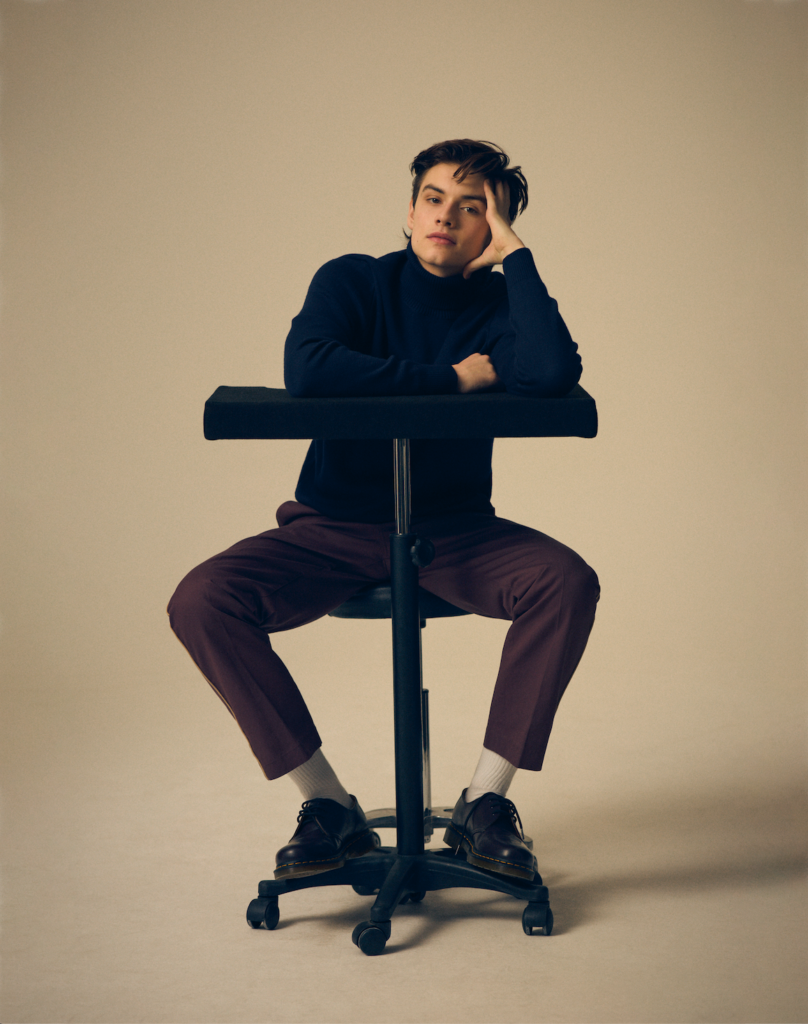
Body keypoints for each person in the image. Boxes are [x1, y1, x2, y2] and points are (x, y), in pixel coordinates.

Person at [168, 139, 599, 885]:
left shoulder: (500, 308)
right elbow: (309, 369)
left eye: (475, 210)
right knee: (201, 600)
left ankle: (484, 804)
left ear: (492, 232)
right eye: (434, 199)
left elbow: (553, 373)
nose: (448, 218)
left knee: (566, 581)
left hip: (454, 532)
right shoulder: (353, 281)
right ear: (408, 211)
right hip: (330, 530)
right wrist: (450, 380)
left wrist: (519, 259)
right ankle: (328, 806)